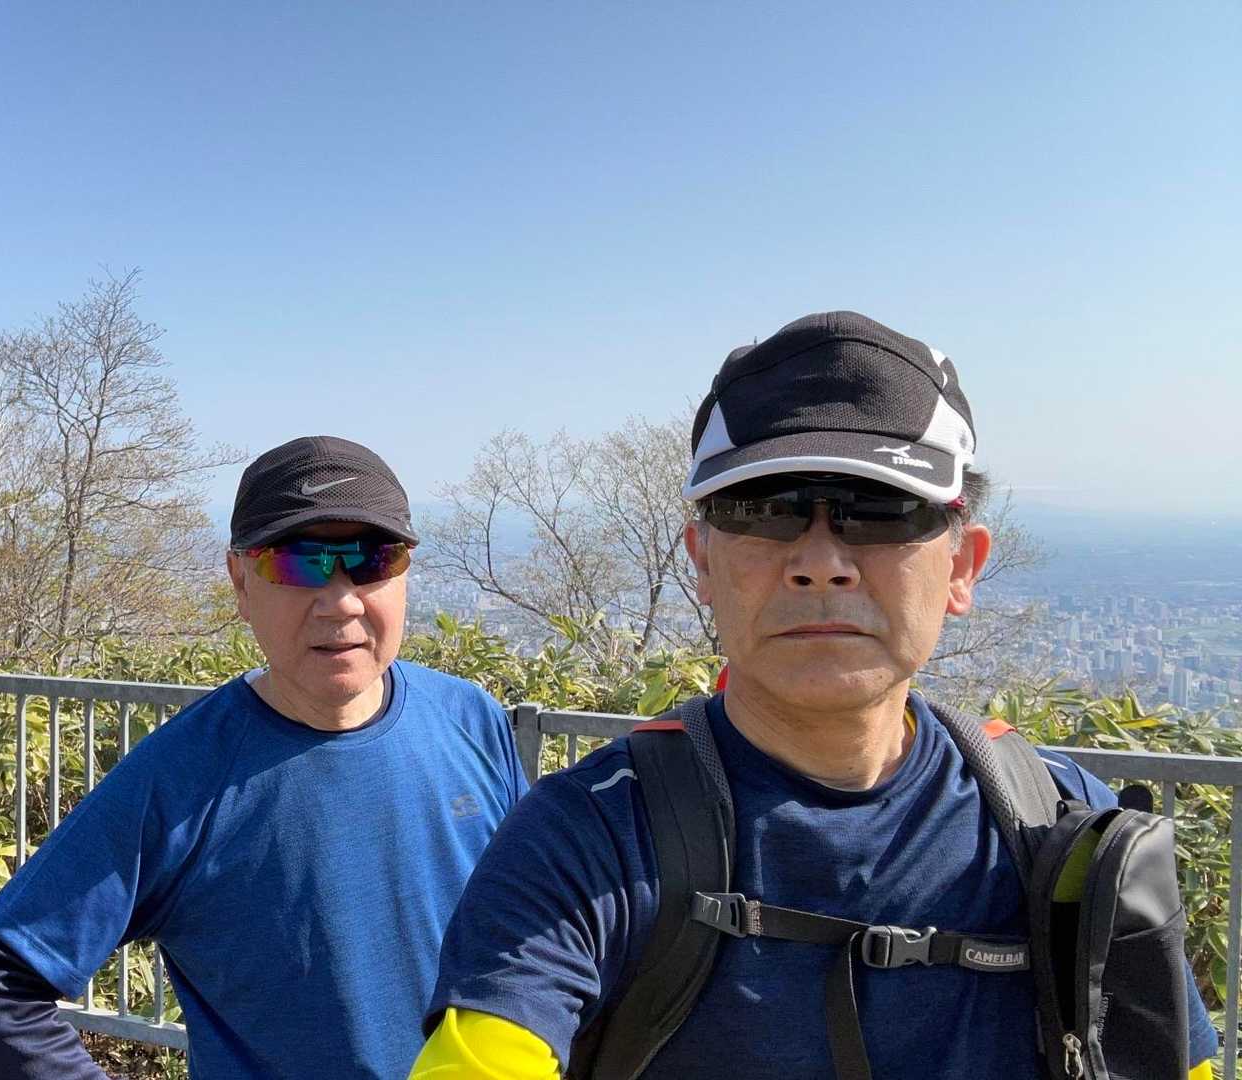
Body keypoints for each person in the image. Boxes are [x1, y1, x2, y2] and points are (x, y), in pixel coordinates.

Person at [411, 311, 1219, 1079]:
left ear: (963, 567)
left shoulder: (1059, 823)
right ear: (701, 561)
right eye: (766, 511)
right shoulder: (591, 836)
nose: (820, 563)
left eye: (882, 511)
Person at [0, 435, 531, 1079]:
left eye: (373, 559)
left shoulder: (470, 718)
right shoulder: (182, 777)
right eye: (297, 563)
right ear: (241, 581)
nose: (341, 600)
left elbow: (542, 926)